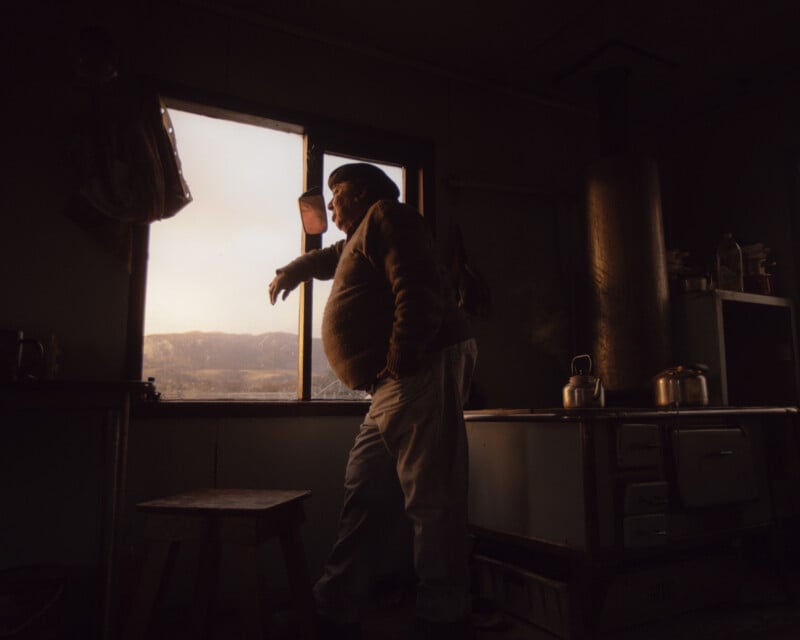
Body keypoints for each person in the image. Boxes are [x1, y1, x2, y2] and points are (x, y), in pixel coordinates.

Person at [268, 163, 477, 639]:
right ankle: (335, 607)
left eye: (335, 196)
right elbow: (328, 260)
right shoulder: (359, 237)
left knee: (432, 498)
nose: (332, 206)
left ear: (358, 193)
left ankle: (444, 617)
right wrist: (292, 271)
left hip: (418, 368)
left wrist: (402, 357)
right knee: (364, 490)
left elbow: (417, 288)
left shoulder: (388, 216)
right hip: (390, 386)